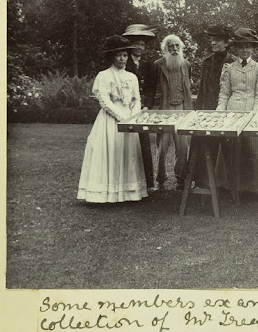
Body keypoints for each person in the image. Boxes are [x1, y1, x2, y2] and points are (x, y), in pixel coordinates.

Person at [77, 35, 147, 203]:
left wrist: (133, 116)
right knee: (110, 151)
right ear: (112, 57)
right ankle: (106, 193)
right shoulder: (104, 75)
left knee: (127, 153)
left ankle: (128, 192)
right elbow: (105, 101)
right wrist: (122, 118)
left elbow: (136, 98)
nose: (122, 59)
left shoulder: (132, 77)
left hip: (130, 118)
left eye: (125, 55)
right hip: (110, 120)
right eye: (118, 55)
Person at [216, 27, 258, 195]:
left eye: (249, 46)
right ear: (236, 48)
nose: (245, 49)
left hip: (251, 111)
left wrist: (255, 112)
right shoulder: (229, 68)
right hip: (233, 111)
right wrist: (220, 111)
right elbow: (224, 93)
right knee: (231, 148)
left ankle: (251, 188)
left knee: (251, 148)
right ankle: (230, 186)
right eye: (242, 46)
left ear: (252, 48)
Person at [187, 24, 237, 188]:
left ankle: (227, 184)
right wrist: (198, 112)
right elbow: (202, 90)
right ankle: (203, 181)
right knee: (204, 146)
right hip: (207, 109)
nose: (213, 43)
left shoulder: (233, 62)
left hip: (226, 110)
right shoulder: (207, 61)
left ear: (225, 43)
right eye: (212, 40)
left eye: (217, 40)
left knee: (227, 148)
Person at [153, 34, 193, 191]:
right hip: (165, 109)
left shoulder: (187, 65)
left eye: (177, 46)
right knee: (162, 147)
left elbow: (188, 88)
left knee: (183, 147)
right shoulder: (158, 65)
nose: (175, 49)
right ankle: (160, 180)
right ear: (165, 49)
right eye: (171, 46)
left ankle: (181, 180)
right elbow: (154, 88)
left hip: (182, 109)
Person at [122, 24, 157, 190]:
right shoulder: (122, 62)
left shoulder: (148, 66)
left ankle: (147, 183)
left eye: (142, 45)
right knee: (126, 144)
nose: (139, 48)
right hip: (125, 108)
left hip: (142, 109)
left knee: (143, 143)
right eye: (136, 44)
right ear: (130, 45)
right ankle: (126, 182)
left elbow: (151, 88)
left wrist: (147, 105)